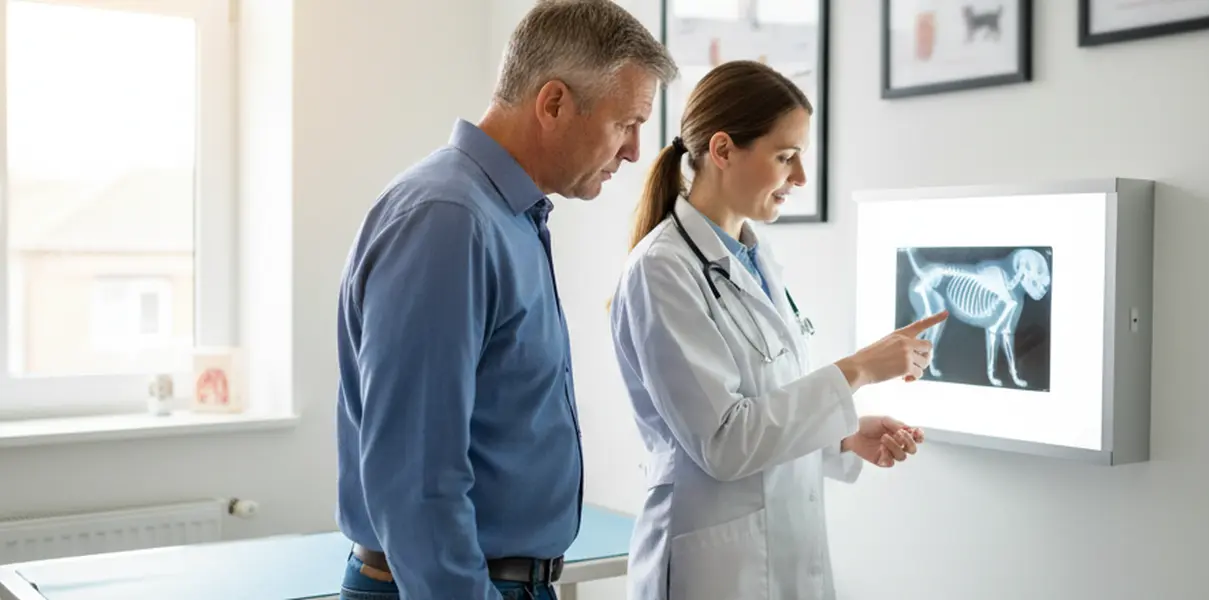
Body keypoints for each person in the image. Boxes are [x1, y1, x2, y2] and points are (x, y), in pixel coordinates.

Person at [333, 2, 677, 599]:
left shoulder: (507, 217)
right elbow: (416, 479)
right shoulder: (449, 219)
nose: (633, 151)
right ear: (553, 104)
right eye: (626, 123)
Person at [608, 60, 949, 600]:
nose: (800, 179)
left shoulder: (756, 260)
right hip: (713, 571)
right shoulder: (662, 270)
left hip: (780, 559)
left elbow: (765, 405)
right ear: (722, 151)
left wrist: (842, 433)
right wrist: (857, 369)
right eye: (786, 157)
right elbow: (723, 442)